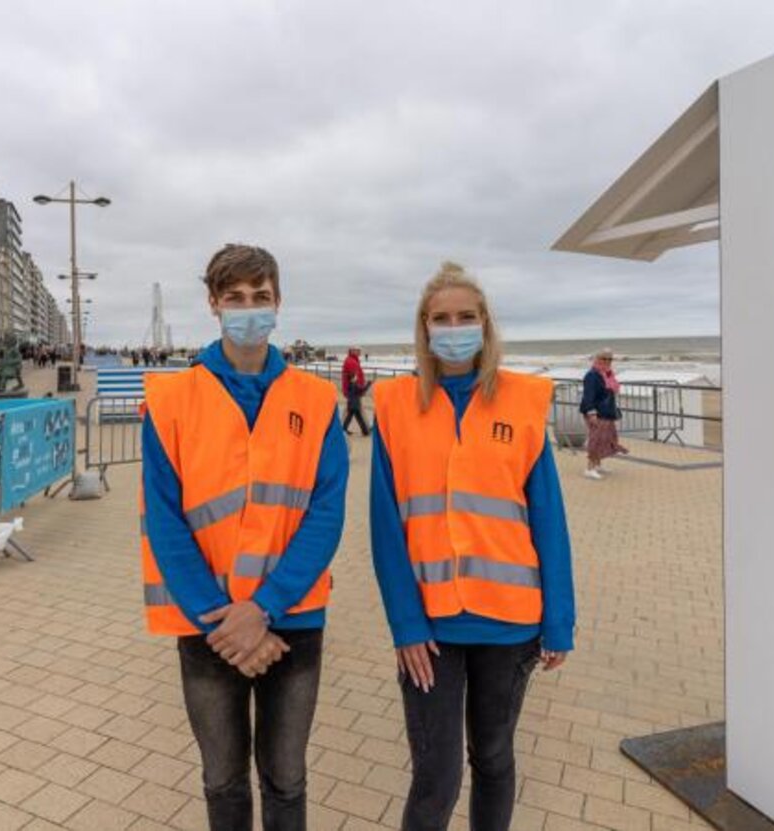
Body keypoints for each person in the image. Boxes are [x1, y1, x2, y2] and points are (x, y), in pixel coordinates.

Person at [140, 243, 349, 831]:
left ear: (278, 302)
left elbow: (325, 514)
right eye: (236, 298)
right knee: (223, 781)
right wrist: (225, 618)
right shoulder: (172, 400)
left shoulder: (314, 399)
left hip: (293, 618)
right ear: (214, 304)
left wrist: (264, 608)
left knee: (287, 780)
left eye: (261, 297)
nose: (249, 308)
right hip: (209, 625)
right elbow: (165, 520)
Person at [370, 262, 576, 831]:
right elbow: (385, 528)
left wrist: (559, 621)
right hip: (430, 632)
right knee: (435, 779)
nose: (453, 327)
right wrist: (405, 625)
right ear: (424, 327)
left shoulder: (522, 403)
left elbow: (549, 522)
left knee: (493, 760)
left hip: (511, 627)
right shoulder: (393, 406)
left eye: (466, 316)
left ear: (484, 324)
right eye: (441, 318)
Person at [579, 347, 628, 480]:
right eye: (603, 358)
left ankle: (597, 464)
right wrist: (591, 412)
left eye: (609, 359)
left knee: (605, 439)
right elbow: (588, 395)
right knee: (596, 439)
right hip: (596, 413)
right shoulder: (592, 375)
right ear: (597, 359)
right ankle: (589, 468)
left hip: (606, 412)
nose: (607, 361)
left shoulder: (607, 374)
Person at [340, 346, 370, 436]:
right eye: (357, 350)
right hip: (354, 392)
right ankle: (365, 429)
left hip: (353, 392)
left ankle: (343, 429)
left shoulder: (353, 360)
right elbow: (354, 377)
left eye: (359, 350)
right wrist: (363, 387)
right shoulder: (351, 361)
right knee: (355, 412)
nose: (359, 352)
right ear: (352, 351)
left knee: (352, 411)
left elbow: (354, 377)